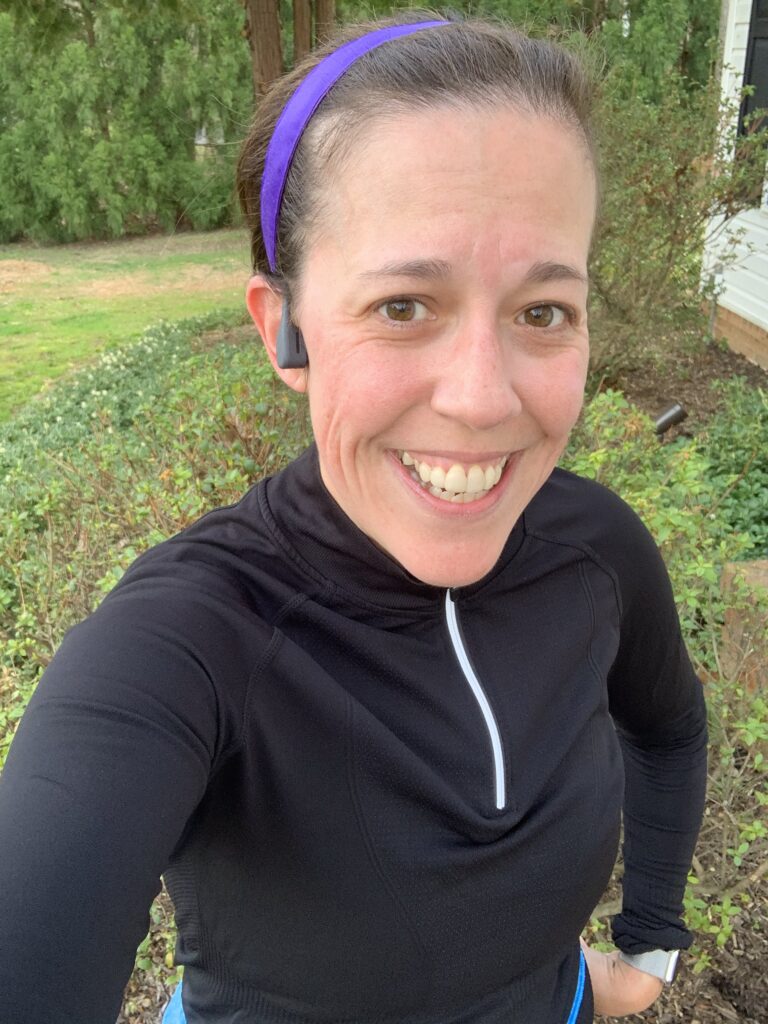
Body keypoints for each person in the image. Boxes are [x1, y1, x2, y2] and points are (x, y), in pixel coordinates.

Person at [0, 14, 707, 1024]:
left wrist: (648, 943)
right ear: (284, 330)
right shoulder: (188, 639)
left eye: (542, 311)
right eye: (403, 306)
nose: (482, 399)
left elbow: (670, 729)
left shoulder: (596, 549)